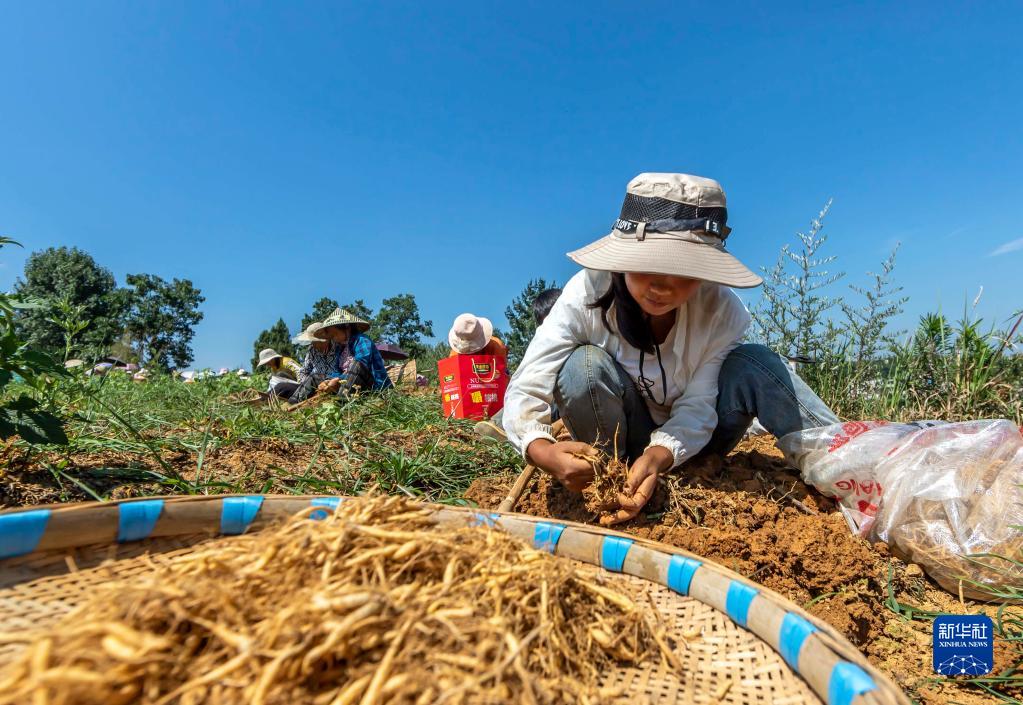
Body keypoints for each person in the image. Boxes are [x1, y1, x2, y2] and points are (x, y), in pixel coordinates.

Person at [502, 173, 838, 524]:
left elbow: (699, 405)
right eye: (650, 266)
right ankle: (612, 478)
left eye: (686, 272)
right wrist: (542, 451)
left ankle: (851, 465)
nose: (665, 287)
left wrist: (661, 455)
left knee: (755, 362)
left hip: (697, 443)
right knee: (583, 366)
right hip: (620, 439)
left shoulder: (722, 312)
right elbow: (528, 386)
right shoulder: (586, 294)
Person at [474, 290, 562, 441]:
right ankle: (498, 423)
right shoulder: (543, 345)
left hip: (563, 397)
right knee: (523, 393)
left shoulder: (496, 345)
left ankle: (509, 427)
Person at [316, 308, 393, 396]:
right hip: (349, 386)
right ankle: (297, 403)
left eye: (335, 334)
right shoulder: (340, 349)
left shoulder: (362, 340)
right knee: (314, 377)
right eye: (332, 336)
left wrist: (338, 379)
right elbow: (337, 371)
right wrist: (329, 380)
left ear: (347, 327)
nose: (334, 338)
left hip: (374, 386)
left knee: (356, 365)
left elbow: (362, 364)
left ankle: (341, 402)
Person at [287, 321, 339, 403]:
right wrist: (306, 383)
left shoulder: (338, 347)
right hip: (313, 386)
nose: (313, 345)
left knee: (315, 377)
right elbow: (303, 372)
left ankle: (294, 403)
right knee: (282, 386)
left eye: (315, 342)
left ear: (324, 340)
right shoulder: (312, 351)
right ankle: (294, 401)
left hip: (332, 384)